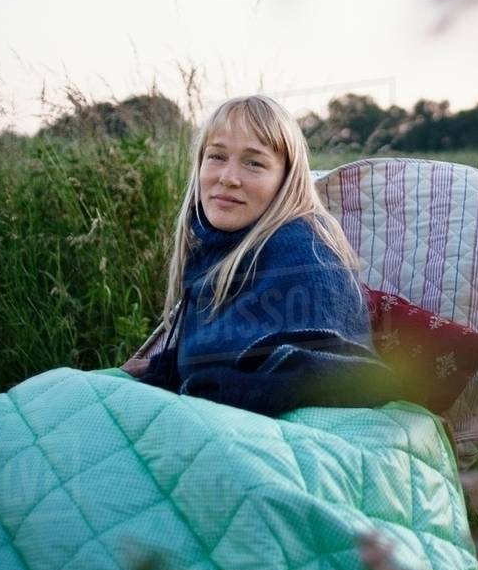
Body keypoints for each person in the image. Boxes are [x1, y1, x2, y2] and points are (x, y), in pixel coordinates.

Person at [133, 93, 405, 416]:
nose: (228, 178)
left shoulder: (303, 248)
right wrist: (162, 369)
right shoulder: (218, 248)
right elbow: (217, 349)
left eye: (253, 163)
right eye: (217, 157)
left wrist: (184, 386)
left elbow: (317, 370)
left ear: (286, 180)